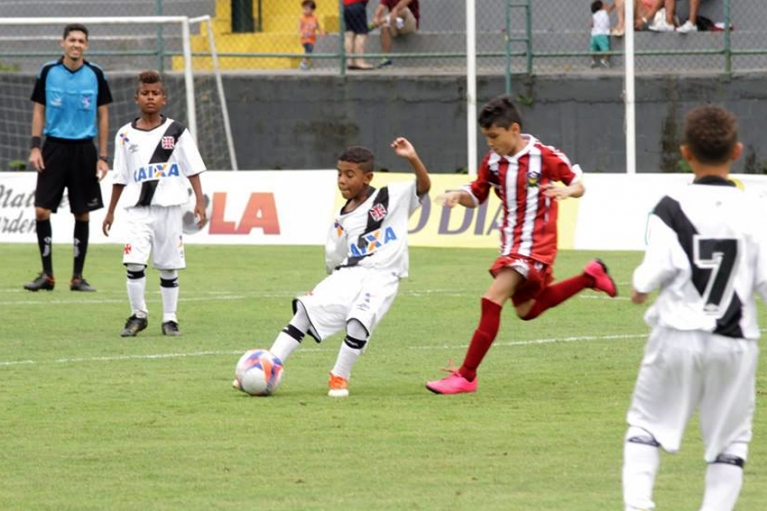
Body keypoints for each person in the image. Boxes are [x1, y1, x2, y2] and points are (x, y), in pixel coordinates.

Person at [425, 95, 617, 395]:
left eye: (494, 136)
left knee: (491, 299)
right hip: (512, 244)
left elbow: (578, 184)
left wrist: (568, 191)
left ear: (514, 129)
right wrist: (457, 196)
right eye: (486, 137)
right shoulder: (493, 162)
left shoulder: (544, 156)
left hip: (536, 244)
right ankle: (589, 277)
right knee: (527, 310)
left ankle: (466, 376)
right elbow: (477, 194)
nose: (490, 143)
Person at [622, 105, 764, 511]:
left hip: (676, 336)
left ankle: (639, 505)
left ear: (685, 152)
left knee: (645, 426)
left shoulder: (671, 206)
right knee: (730, 444)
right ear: (737, 151)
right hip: (734, 342)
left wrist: (639, 287)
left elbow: (651, 273)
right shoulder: (755, 209)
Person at [236, 138, 430, 397]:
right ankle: (267, 365)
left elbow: (424, 186)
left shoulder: (390, 197)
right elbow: (335, 257)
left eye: (350, 175)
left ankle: (339, 376)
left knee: (358, 321)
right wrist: (332, 283)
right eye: (339, 174)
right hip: (349, 274)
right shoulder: (342, 217)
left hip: (383, 275)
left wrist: (412, 158)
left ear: (367, 178)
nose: (342, 180)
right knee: (305, 311)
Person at [102, 70, 207, 338]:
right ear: (136, 98)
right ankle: (138, 315)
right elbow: (120, 176)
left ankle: (170, 319)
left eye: (155, 93)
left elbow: (192, 168)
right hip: (138, 210)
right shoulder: (125, 134)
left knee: (168, 266)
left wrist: (199, 200)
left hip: (169, 208)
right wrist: (110, 211)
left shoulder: (177, 131)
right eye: (145, 93)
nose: (150, 97)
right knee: (134, 262)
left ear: (164, 99)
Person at [24, 23, 112, 292]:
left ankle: (77, 277)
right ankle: (47, 275)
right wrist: (36, 146)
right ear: (62, 43)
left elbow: (103, 115)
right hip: (53, 147)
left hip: (84, 150)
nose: (76, 45)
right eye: (72, 40)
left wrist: (103, 156)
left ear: (87, 45)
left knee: (82, 213)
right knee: (41, 211)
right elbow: (39, 110)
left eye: (81, 41)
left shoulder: (96, 74)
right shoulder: (48, 71)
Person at [370, 0, 420, 69]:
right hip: (397, 23)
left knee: (402, 10)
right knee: (385, 26)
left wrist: (396, 9)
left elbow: (404, 3)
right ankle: (386, 59)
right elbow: (381, 7)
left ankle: (377, 23)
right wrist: (376, 18)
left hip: (407, 25)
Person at [344, 0, 374, 70]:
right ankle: (359, 61)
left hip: (346, 5)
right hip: (357, 4)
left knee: (349, 34)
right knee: (361, 34)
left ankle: (349, 61)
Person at [298, 0, 323, 71]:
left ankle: (305, 63)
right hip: (305, 38)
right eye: (303, 9)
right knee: (309, 48)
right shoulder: (302, 18)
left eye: (306, 9)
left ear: (312, 10)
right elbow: (299, 28)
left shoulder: (314, 18)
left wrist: (321, 31)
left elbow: (317, 26)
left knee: (309, 50)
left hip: (312, 38)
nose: (304, 11)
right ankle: (303, 63)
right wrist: (302, 34)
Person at [590, 1, 612, 68]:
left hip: (594, 35)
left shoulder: (594, 15)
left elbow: (591, 24)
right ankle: (604, 60)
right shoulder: (605, 12)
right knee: (606, 49)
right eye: (604, 5)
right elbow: (609, 8)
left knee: (592, 49)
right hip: (602, 34)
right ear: (602, 7)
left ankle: (592, 60)